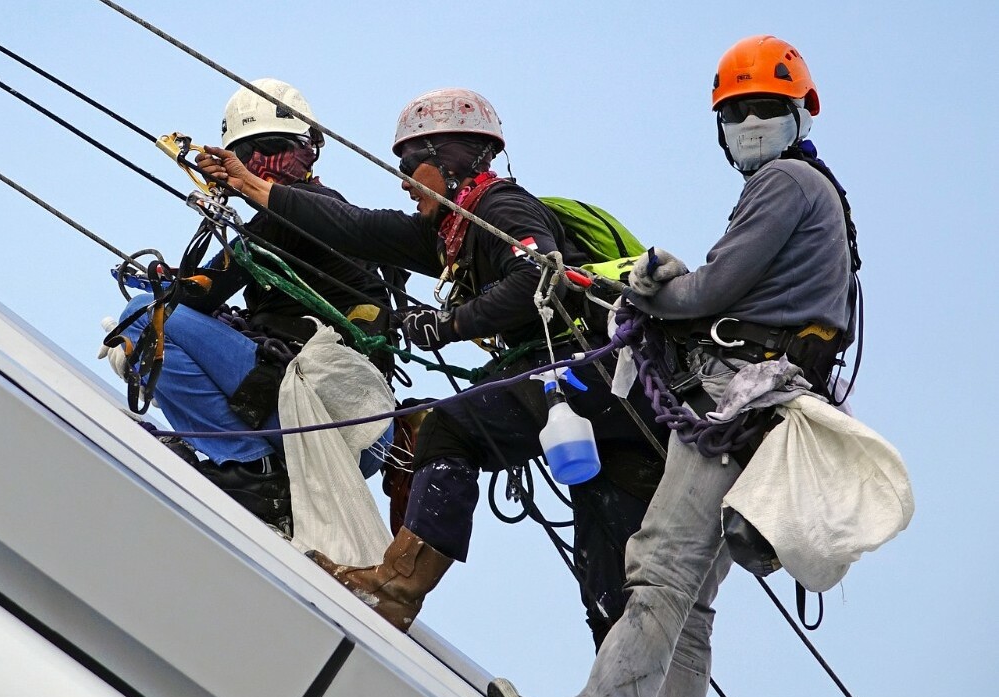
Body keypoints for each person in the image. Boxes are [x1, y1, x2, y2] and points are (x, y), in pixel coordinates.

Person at [485, 36, 860, 697]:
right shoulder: (821, 196)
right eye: (737, 111)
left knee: (657, 569)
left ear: (799, 113)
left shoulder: (784, 183)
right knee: (688, 611)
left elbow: (711, 293)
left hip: (736, 401)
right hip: (769, 408)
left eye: (763, 108)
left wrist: (645, 287)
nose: (750, 122)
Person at [198, 88, 668, 640]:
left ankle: (395, 587)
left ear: (449, 157)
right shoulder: (448, 232)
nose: (401, 179)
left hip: (594, 372)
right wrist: (257, 188)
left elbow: (536, 277)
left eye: (407, 163)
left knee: (449, 425)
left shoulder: (501, 208)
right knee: (604, 563)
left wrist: (449, 325)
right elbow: (356, 227)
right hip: (617, 402)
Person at [114, 78, 394, 536]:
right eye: (247, 156)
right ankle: (263, 477)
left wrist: (164, 283)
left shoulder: (297, 210)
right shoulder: (330, 215)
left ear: (308, 152)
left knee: (146, 316)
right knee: (167, 321)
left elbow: (201, 291)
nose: (260, 166)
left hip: (326, 411)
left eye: (272, 150)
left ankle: (249, 467)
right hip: (357, 430)